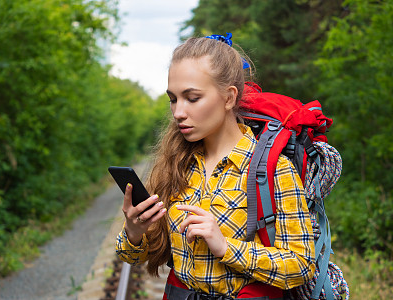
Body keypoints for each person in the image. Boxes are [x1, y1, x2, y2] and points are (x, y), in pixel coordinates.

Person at [116, 33, 315, 299]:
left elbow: (302, 266)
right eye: (173, 99)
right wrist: (134, 231)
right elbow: (134, 257)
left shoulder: (273, 170)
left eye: (192, 98)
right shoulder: (176, 166)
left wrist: (225, 247)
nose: (178, 112)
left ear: (230, 97)